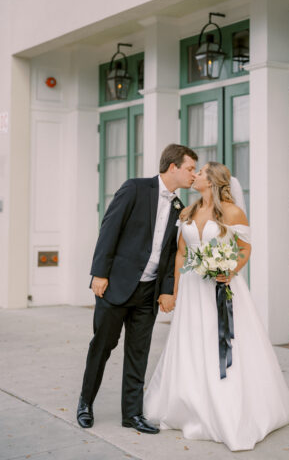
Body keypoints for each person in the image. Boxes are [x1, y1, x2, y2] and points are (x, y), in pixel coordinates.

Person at [144, 162, 289, 451]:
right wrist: (172, 291)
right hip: (192, 289)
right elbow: (181, 253)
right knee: (191, 343)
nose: (194, 175)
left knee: (225, 343)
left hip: (222, 288)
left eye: (199, 172)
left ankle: (229, 409)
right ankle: (189, 404)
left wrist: (231, 269)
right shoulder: (187, 212)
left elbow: (244, 248)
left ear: (212, 180)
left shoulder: (232, 212)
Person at [77, 144, 198, 434]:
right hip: (116, 285)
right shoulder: (134, 188)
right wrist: (99, 273)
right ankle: (85, 402)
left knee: (138, 351)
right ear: (173, 167)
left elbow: (170, 253)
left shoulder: (180, 207)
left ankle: (131, 414)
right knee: (102, 345)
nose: (194, 174)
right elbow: (110, 229)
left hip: (148, 292)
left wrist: (167, 289)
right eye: (191, 168)